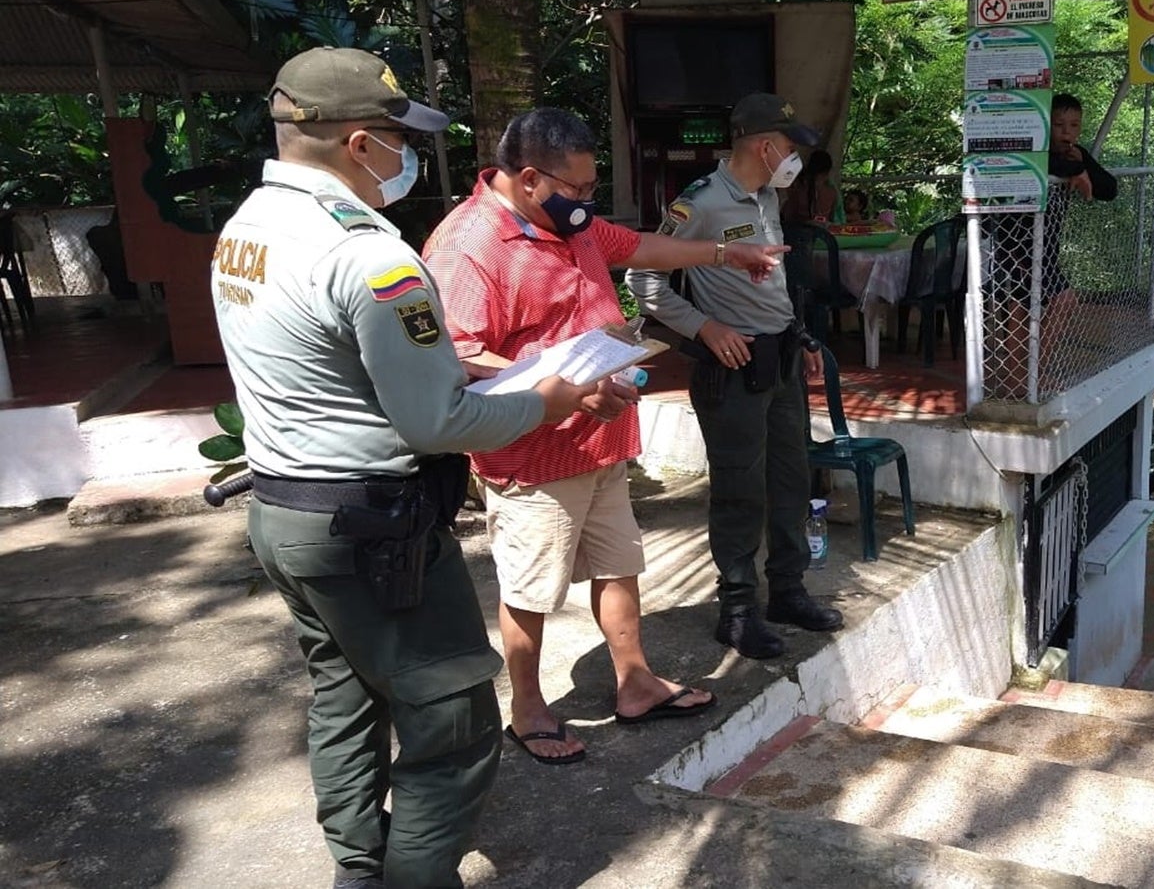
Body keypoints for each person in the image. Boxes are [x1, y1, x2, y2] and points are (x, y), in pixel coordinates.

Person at [210, 47, 609, 889]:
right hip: (373, 531)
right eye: (398, 137)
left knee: (346, 699)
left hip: (284, 514)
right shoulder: (374, 257)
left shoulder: (246, 229)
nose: (405, 156)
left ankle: (359, 869)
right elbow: (436, 422)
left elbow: (335, 362)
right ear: (359, 143)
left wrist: (477, 373)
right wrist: (552, 401)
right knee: (455, 725)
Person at [422, 107, 788, 764]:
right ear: (530, 179)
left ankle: (636, 681)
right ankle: (528, 709)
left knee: (619, 563)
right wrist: (562, 384)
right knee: (532, 588)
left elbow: (641, 247)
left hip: (601, 436)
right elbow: (460, 355)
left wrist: (725, 253)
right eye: (579, 191)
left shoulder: (569, 222)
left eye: (594, 190)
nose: (588, 204)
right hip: (532, 452)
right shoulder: (470, 246)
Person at [626, 92, 844, 660]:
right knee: (740, 491)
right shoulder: (700, 203)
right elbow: (643, 280)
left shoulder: (767, 194)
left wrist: (801, 336)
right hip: (734, 368)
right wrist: (704, 329)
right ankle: (738, 609)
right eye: (790, 147)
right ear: (764, 145)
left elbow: (769, 284)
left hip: (781, 364)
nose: (795, 158)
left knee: (793, 481)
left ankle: (788, 592)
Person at [990, 93, 1118, 396]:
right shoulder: (1035, 150)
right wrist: (1075, 171)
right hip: (1016, 244)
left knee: (1024, 308)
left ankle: (1023, 378)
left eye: (1074, 125)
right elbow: (1047, 164)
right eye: (1059, 125)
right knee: (1055, 302)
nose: (1066, 132)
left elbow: (1109, 189)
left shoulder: (1076, 154)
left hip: (1045, 248)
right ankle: (1031, 374)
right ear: (1044, 125)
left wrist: (1082, 167)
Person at [781, 149, 842, 224]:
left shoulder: (798, 190)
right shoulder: (832, 193)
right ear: (828, 172)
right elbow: (833, 218)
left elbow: (787, 216)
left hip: (799, 232)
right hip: (823, 233)